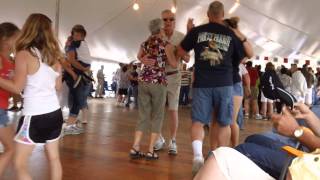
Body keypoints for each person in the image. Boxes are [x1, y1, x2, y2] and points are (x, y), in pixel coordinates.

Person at [175, 1, 245, 174]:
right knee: (223, 123)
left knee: (198, 121)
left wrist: (189, 58)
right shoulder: (230, 33)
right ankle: (221, 161)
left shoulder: (197, 31)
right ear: (222, 15)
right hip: (224, 84)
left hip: (202, 83)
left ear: (208, 14)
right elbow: (242, 58)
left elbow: (180, 50)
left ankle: (198, 156)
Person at [0, 14, 64, 180]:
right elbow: (58, 87)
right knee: (54, 159)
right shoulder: (54, 57)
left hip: (34, 117)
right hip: (55, 114)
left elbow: (16, 87)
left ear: (29, 28)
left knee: (20, 163)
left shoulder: (24, 54)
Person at [195, 103, 320, 180]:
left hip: (304, 169)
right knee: (252, 139)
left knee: (226, 154)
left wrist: (297, 131)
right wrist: (308, 115)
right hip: (305, 164)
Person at [130, 18, 177, 160]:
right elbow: (174, 64)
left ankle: (135, 147)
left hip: (143, 81)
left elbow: (138, 57)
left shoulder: (145, 43)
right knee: (157, 116)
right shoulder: (166, 45)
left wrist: (144, 60)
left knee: (143, 115)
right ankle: (151, 150)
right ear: (161, 29)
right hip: (158, 82)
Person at [153, 9, 189, 155]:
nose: (168, 22)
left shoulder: (181, 37)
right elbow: (149, 54)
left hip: (174, 76)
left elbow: (187, 58)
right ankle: (159, 138)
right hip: (159, 76)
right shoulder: (155, 36)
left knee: (173, 110)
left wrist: (173, 49)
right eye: (165, 19)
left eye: (171, 19)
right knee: (157, 110)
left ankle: (173, 140)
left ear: (175, 21)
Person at [223, 16, 254, 147]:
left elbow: (249, 54)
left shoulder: (235, 43)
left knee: (229, 121)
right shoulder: (232, 43)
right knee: (229, 121)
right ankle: (230, 148)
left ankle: (232, 148)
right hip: (227, 83)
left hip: (232, 83)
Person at [64, 25, 92, 134]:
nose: (78, 37)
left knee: (75, 99)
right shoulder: (73, 44)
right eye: (75, 34)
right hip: (76, 75)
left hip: (76, 74)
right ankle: (70, 125)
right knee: (77, 100)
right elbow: (70, 60)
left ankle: (71, 123)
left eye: (80, 35)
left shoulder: (78, 44)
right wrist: (84, 68)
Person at [0, 22, 19, 177]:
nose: (18, 42)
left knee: (11, 146)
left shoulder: (11, 61)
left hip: (3, 109)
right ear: (5, 39)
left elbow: (15, 91)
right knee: (11, 147)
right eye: (16, 38)